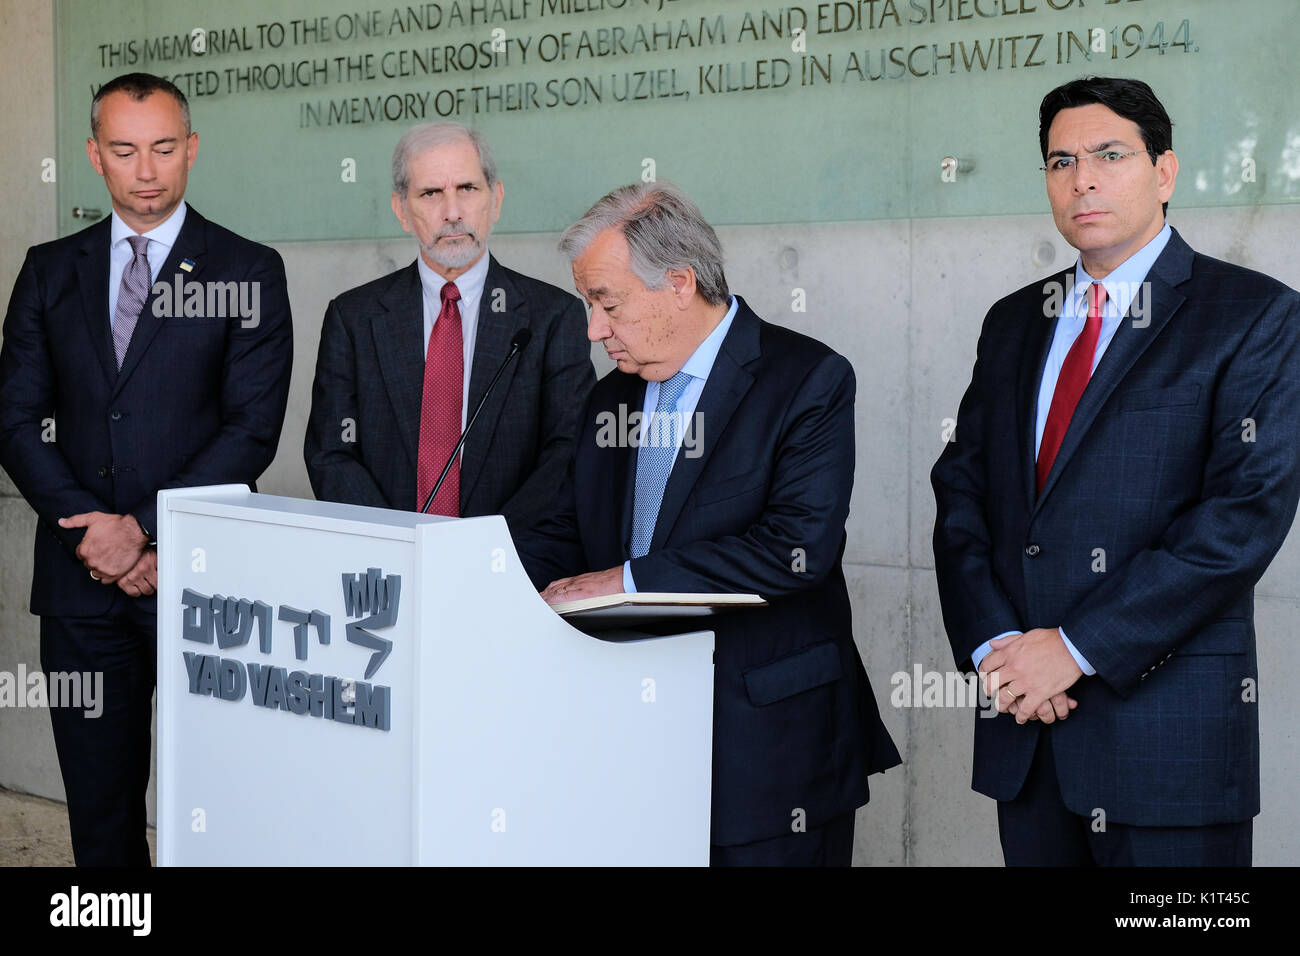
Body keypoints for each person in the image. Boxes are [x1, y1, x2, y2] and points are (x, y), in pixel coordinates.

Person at [931, 76, 1300, 866]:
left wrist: (1073, 646)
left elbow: (1241, 518)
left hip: (1166, 745)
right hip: (1029, 728)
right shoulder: (1012, 322)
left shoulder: (1254, 315)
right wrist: (1002, 646)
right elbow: (961, 491)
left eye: (1108, 155)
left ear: (1164, 173)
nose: (1083, 179)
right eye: (1060, 162)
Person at [514, 181, 900, 866]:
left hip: (768, 754)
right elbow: (563, 532)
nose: (593, 329)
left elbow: (795, 550)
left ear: (678, 283)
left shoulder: (806, 378)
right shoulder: (609, 396)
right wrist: (472, 575)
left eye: (606, 302)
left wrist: (628, 581)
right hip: (630, 743)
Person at [0, 72, 294, 865]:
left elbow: (251, 430)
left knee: (221, 807)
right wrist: (96, 537)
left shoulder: (248, 269)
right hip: (80, 584)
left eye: (164, 148)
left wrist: (144, 531)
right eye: (125, 150)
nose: (147, 170)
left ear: (191, 149)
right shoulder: (48, 270)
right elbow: (16, 420)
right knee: (99, 813)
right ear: (95, 156)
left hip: (201, 578)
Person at [304, 122, 594, 529]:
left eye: (468, 189)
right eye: (430, 193)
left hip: (510, 562)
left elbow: (566, 453)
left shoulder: (553, 317)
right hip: (388, 565)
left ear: (496, 200)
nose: (453, 212)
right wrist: (397, 544)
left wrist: (485, 548)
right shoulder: (354, 318)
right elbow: (331, 453)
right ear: (401, 210)